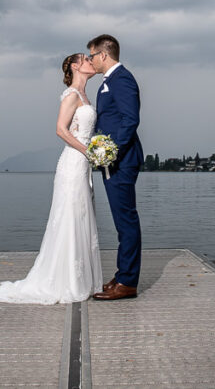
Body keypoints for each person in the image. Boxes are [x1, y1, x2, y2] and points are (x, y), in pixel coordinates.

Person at [0, 53, 103, 304]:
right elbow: (60, 129)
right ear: (75, 66)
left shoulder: (85, 95)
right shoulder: (71, 95)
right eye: (86, 59)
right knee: (69, 215)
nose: (91, 61)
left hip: (83, 163)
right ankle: (64, 281)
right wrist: (87, 151)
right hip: (73, 162)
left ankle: (81, 279)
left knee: (81, 215)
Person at [87, 34, 143, 301]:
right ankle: (123, 275)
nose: (91, 60)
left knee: (126, 220)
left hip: (121, 160)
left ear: (104, 55)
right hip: (114, 161)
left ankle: (128, 282)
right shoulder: (109, 81)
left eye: (92, 55)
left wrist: (110, 153)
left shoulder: (122, 79)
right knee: (122, 223)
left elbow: (130, 120)